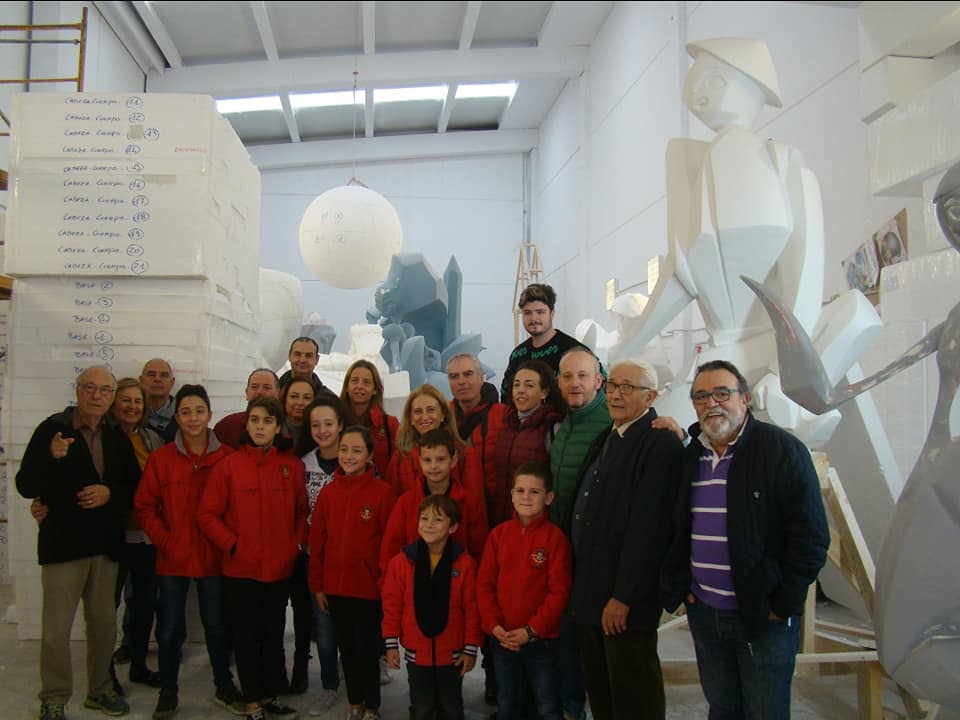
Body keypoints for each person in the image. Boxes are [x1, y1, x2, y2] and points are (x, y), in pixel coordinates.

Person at [661, 360, 829, 719]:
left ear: (745, 399)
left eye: (723, 393)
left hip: (761, 616)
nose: (712, 403)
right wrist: (682, 588)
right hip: (705, 612)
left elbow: (812, 538)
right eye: (702, 396)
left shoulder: (781, 451)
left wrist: (782, 602)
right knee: (722, 709)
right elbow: (676, 527)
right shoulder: (692, 456)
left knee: (764, 711)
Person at [16, 366, 140, 720]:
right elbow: (26, 485)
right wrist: (49, 456)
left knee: (103, 625)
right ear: (78, 390)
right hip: (63, 546)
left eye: (104, 390)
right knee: (56, 629)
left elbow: (135, 488)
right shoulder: (52, 430)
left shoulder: (116, 438)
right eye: (90, 388)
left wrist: (109, 493)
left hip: (105, 547)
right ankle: (54, 698)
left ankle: (99, 690)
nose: (97, 396)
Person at [569, 359, 683, 720]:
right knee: (602, 689)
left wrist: (624, 596)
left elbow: (649, 530)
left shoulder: (659, 442)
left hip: (624, 599)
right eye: (612, 386)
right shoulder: (610, 435)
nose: (616, 394)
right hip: (592, 589)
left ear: (651, 396)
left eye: (627, 388)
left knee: (633, 691)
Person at [134, 384, 244, 719]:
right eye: (185, 412)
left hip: (213, 559)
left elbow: (238, 510)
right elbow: (144, 505)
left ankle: (223, 686)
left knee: (216, 627)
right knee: (168, 629)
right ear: (177, 417)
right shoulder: (162, 459)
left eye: (199, 411)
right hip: (173, 559)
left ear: (209, 414)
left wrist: (227, 543)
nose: (193, 418)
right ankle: (168, 690)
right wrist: (165, 540)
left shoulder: (227, 457)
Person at [198, 397, 307, 720]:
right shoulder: (228, 467)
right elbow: (207, 515)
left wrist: (294, 546)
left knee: (272, 635)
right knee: (245, 635)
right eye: (255, 420)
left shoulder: (292, 466)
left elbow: (302, 512)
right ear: (247, 425)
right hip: (241, 569)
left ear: (278, 427)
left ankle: (271, 694)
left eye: (268, 421)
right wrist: (232, 545)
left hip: (278, 569)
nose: (261, 426)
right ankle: (252, 701)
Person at [309, 426, 396, 720]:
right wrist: (318, 585)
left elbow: (388, 543)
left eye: (357, 450)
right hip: (335, 586)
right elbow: (317, 542)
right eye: (344, 449)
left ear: (370, 455)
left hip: (369, 587)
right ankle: (355, 701)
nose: (348, 456)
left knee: (367, 649)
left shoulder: (382, 493)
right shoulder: (329, 493)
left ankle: (371, 704)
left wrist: (385, 584)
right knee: (346, 647)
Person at [477, 463, 572, 720]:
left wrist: (531, 631)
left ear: (549, 497)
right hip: (502, 638)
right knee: (508, 702)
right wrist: (494, 627)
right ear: (511, 495)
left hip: (540, 641)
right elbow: (484, 586)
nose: (526, 497)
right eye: (520, 490)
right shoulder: (498, 536)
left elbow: (559, 592)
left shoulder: (555, 539)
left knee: (546, 704)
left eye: (534, 492)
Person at [382, 494, 482, 720]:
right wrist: (390, 643)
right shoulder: (401, 563)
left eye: (438, 520)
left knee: (452, 708)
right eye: (424, 518)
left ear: (453, 527)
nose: (429, 525)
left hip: (453, 654)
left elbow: (472, 608)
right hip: (417, 653)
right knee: (422, 707)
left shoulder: (464, 564)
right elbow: (392, 604)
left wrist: (470, 647)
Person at [293, 396, 347, 713]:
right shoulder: (304, 464)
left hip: (351, 558)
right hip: (316, 558)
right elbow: (297, 511)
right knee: (323, 626)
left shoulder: (356, 459)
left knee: (354, 625)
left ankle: (359, 684)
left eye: (329, 423)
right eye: (316, 425)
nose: (323, 430)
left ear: (341, 424)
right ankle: (329, 685)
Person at [381, 428, 489, 574]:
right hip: (411, 586)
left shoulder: (469, 503)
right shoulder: (406, 502)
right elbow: (390, 550)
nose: (433, 466)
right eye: (427, 460)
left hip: (455, 585)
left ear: (454, 460)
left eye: (441, 459)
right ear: (419, 461)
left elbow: (479, 551)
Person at [489, 360, 564, 527]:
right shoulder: (507, 424)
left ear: (544, 392)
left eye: (529, 385)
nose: (520, 391)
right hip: (503, 519)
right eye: (517, 385)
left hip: (536, 521)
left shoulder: (552, 427)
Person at [386, 384, 485, 507]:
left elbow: (475, 508)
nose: (425, 417)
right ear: (410, 418)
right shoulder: (400, 458)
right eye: (418, 411)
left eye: (431, 410)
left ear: (443, 415)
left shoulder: (466, 455)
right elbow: (392, 505)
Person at [500, 284, 593, 403]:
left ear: (552, 313)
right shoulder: (517, 354)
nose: (534, 318)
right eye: (527, 313)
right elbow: (505, 397)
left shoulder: (575, 351)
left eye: (540, 312)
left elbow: (598, 388)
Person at [446, 353, 508, 501]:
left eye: (468, 374)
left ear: (481, 378)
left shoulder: (504, 415)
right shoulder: (442, 416)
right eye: (454, 376)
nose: (461, 381)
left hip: (494, 501)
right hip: (454, 501)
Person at [339, 359, 399, 480]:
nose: (360, 386)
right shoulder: (334, 422)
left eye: (366, 382)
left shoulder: (390, 425)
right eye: (355, 381)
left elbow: (399, 465)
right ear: (346, 386)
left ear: (375, 389)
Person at [215, 369, 280, 449]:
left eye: (267, 387)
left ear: (278, 393)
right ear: (246, 392)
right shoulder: (227, 427)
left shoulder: (286, 428)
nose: (259, 392)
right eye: (254, 387)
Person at [140, 359, 178, 441]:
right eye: (151, 375)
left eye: (164, 375)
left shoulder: (184, 415)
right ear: (141, 380)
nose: (157, 379)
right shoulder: (132, 414)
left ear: (172, 382)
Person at [281, 378, 315, 446]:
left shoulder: (320, 431)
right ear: (284, 399)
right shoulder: (272, 428)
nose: (300, 402)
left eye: (306, 398)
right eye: (294, 396)